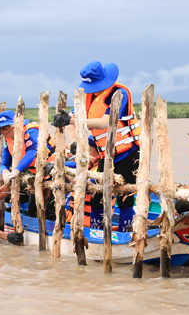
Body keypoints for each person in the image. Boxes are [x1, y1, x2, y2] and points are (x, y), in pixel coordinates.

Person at [54, 61, 141, 233]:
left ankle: (126, 231)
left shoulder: (119, 93)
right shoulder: (86, 96)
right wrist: (76, 141)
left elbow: (104, 122)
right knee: (97, 195)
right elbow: (72, 117)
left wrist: (72, 120)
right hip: (105, 154)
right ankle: (97, 231)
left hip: (128, 152)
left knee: (126, 196)